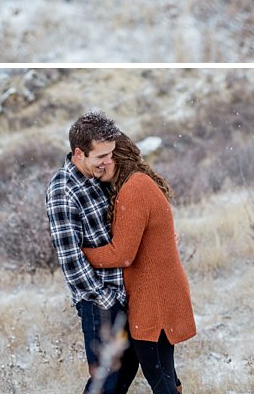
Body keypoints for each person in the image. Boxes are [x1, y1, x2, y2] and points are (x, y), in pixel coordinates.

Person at [83, 135, 195, 394]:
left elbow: (121, 254)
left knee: (160, 377)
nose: (101, 165)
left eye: (106, 158)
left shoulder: (134, 189)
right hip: (159, 293)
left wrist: (79, 253)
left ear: (119, 157)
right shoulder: (138, 183)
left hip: (154, 299)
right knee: (165, 373)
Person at [45, 111, 139, 394]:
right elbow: (70, 260)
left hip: (121, 294)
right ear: (78, 154)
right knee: (106, 381)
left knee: (125, 372)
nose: (109, 161)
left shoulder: (98, 177)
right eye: (101, 156)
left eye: (111, 153)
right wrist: (106, 299)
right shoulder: (63, 190)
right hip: (99, 302)